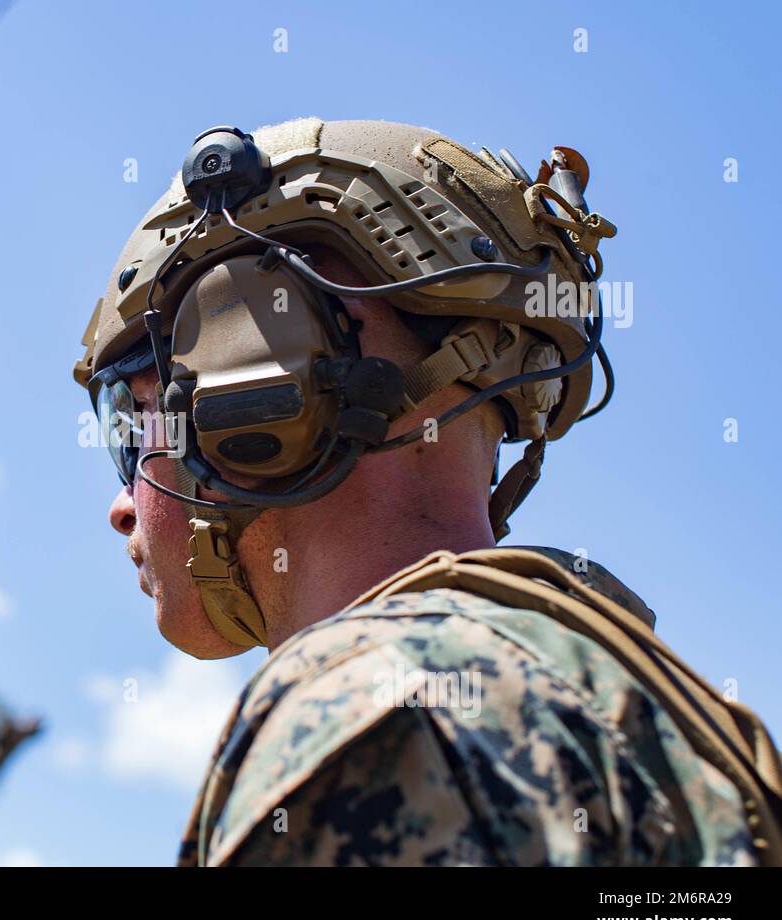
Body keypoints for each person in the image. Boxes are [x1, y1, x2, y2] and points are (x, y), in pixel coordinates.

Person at [73, 118, 781, 866]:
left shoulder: (373, 710)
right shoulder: (650, 716)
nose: (123, 504)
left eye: (129, 420)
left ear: (248, 370)